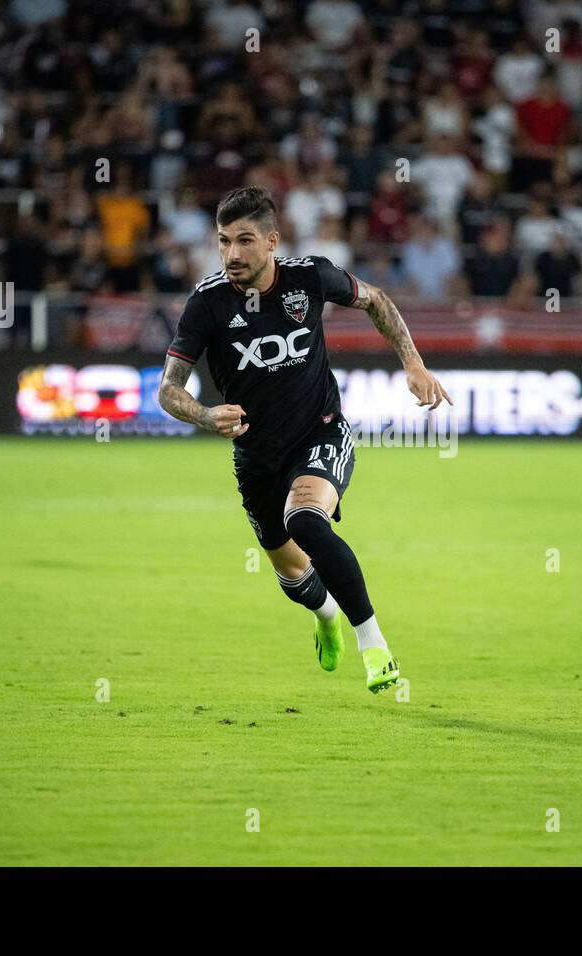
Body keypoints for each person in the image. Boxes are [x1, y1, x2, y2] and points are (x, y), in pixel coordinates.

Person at [157, 186, 450, 694]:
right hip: (256, 458)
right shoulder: (206, 303)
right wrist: (206, 415)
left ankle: (375, 646)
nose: (232, 254)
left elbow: (376, 300)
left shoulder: (309, 276)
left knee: (305, 518)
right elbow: (167, 389)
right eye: (224, 241)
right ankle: (326, 612)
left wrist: (413, 362)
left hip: (321, 431)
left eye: (245, 241)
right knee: (294, 576)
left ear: (272, 241)